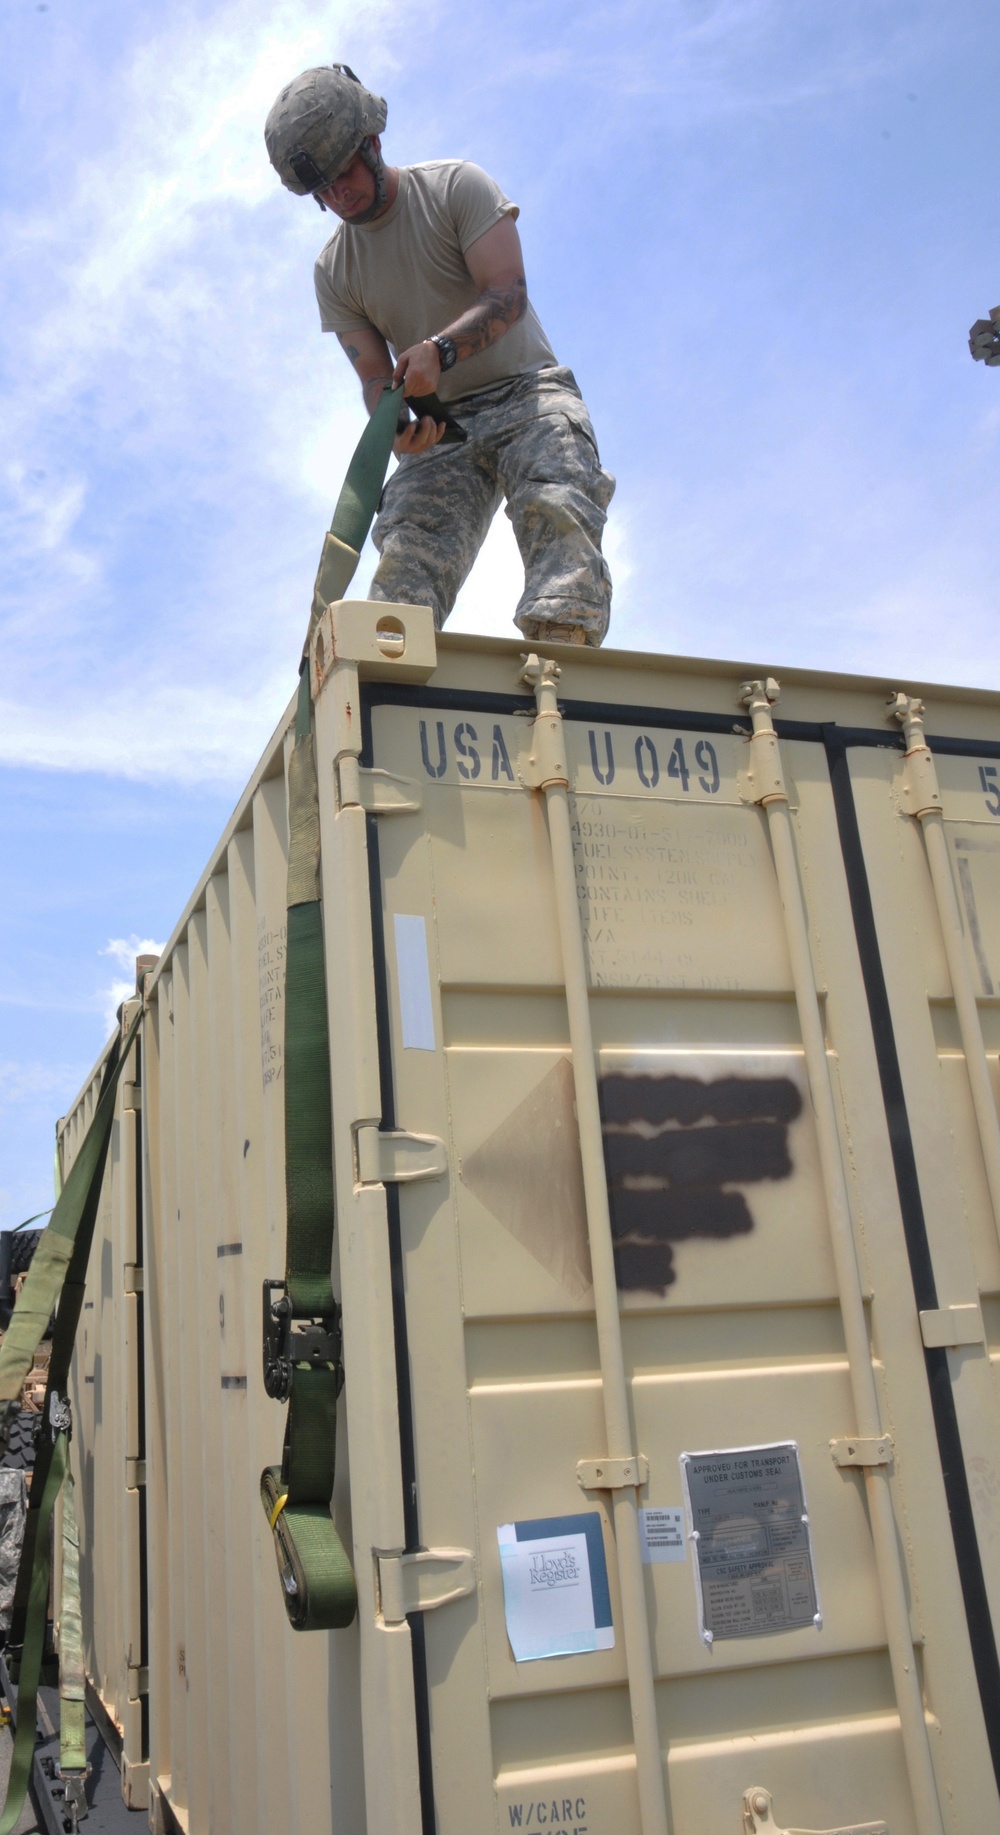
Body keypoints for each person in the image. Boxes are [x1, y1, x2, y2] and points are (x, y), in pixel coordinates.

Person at [265, 64, 614, 646]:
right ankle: (388, 690)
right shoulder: (334, 270)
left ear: (372, 144)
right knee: (406, 563)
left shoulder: (457, 187)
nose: (337, 194)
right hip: (442, 429)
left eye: (343, 172)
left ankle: (562, 655)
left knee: (558, 501)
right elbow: (375, 376)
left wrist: (440, 350)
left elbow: (508, 293)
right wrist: (392, 422)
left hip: (527, 395)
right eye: (320, 189)